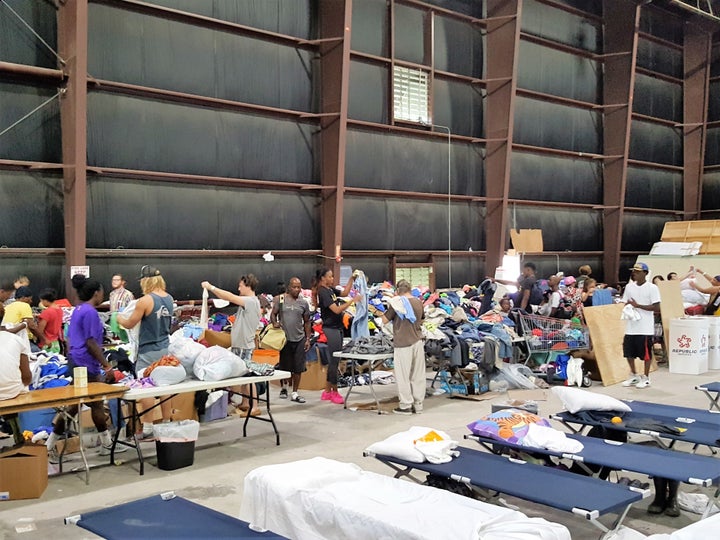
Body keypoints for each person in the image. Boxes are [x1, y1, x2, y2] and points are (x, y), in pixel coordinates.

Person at [45, 275, 127, 461]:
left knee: (74, 406)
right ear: (96, 293)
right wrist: (107, 366)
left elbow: (72, 338)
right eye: (102, 292)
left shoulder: (78, 309)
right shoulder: (89, 311)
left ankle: (49, 445)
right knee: (96, 402)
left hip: (76, 359)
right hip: (85, 362)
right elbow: (90, 342)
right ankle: (106, 445)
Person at [117, 265, 174, 437]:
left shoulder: (145, 301)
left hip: (148, 351)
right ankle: (166, 422)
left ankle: (148, 426)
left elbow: (130, 323)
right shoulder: (169, 298)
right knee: (165, 386)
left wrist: (118, 317)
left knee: (146, 387)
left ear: (145, 281)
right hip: (165, 348)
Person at [202, 274, 262, 416]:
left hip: (244, 346)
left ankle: (255, 406)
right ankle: (246, 403)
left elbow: (229, 297)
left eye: (240, 285)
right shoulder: (248, 302)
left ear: (248, 285)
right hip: (240, 345)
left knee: (248, 377)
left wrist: (211, 287)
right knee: (242, 375)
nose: (238, 288)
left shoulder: (251, 301)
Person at [313, 268, 359, 405]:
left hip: (337, 328)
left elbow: (344, 292)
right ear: (323, 278)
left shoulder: (330, 290)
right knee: (334, 360)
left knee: (336, 360)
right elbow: (337, 309)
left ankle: (327, 391)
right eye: (330, 276)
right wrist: (352, 301)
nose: (332, 279)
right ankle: (334, 391)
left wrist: (351, 279)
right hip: (330, 329)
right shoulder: (323, 292)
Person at [378, 280, 425, 415]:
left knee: (403, 376)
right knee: (418, 375)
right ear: (410, 289)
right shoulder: (418, 302)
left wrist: (380, 312)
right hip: (417, 340)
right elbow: (421, 319)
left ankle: (405, 406)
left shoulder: (396, 303)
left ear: (397, 291)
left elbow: (385, 320)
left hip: (403, 343)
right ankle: (419, 404)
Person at [271, 277, 312, 404]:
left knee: (298, 367)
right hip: (285, 339)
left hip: (299, 338)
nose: (296, 289)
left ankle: (295, 392)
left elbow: (307, 322)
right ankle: (284, 388)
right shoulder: (280, 299)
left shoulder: (303, 303)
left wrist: (307, 339)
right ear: (289, 287)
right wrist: (275, 323)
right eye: (294, 287)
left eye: (298, 287)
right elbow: (273, 314)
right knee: (284, 366)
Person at [621, 263, 661, 389]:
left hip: (645, 327)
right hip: (631, 326)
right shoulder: (629, 287)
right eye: (634, 271)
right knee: (628, 352)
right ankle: (633, 375)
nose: (635, 273)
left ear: (645, 273)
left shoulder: (652, 288)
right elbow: (625, 302)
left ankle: (646, 377)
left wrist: (638, 306)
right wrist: (628, 307)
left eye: (638, 271)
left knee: (646, 354)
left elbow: (656, 307)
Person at [36, 288, 64, 354]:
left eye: (42, 300)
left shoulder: (47, 312)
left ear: (45, 300)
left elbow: (40, 330)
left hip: (46, 343)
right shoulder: (59, 309)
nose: (41, 302)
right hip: (56, 342)